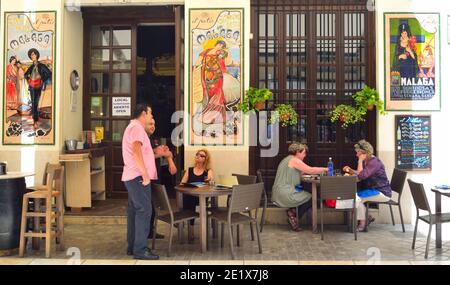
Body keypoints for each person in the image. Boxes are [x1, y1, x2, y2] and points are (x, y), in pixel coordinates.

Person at [122, 103, 165, 260]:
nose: (151, 116)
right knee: (144, 211)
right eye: (150, 113)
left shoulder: (134, 128)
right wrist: (145, 176)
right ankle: (140, 249)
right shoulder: (137, 128)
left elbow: (143, 154)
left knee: (134, 211)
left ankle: (132, 246)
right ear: (143, 113)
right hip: (138, 177)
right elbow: (136, 151)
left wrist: (156, 154)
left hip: (133, 176)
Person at [272, 143, 328, 231]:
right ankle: (294, 215)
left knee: (307, 192)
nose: (305, 156)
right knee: (311, 197)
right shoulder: (294, 160)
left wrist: (311, 172)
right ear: (298, 152)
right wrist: (326, 169)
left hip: (281, 191)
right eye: (304, 153)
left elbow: (303, 172)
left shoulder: (287, 160)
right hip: (285, 192)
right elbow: (310, 170)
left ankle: (293, 212)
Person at [342, 140, 392, 232]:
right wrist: (350, 170)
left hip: (382, 192)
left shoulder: (374, 162)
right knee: (355, 196)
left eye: (358, 153)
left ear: (364, 153)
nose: (356, 155)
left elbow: (361, 176)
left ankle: (362, 224)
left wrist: (360, 161)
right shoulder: (368, 161)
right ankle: (366, 217)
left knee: (357, 198)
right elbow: (361, 173)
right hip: (374, 190)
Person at [145, 118, 177, 239]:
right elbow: (146, 156)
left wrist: (167, 156)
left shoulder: (153, 140)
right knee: (149, 206)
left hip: (155, 176)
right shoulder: (143, 139)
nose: (153, 126)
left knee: (153, 206)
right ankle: (146, 232)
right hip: (146, 177)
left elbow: (158, 154)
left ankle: (150, 231)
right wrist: (163, 154)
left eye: (154, 124)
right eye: (150, 124)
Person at [195, 40, 231, 127]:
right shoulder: (206, 51)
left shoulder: (221, 53)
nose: (220, 47)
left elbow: (226, 63)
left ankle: (216, 116)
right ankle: (208, 113)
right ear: (216, 44)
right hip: (207, 75)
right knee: (209, 93)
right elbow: (198, 61)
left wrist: (224, 53)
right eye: (219, 45)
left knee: (218, 92)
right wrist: (197, 68)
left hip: (217, 76)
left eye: (222, 46)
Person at [180, 149, 213, 241]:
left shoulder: (208, 170)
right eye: (197, 154)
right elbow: (182, 182)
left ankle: (188, 226)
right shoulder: (190, 170)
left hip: (201, 196)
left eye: (202, 155)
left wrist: (208, 181)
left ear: (206, 159)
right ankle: (191, 229)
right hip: (190, 195)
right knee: (188, 199)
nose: (198, 156)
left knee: (188, 201)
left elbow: (210, 183)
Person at [24, 48, 52, 129]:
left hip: (38, 85)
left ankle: (35, 119)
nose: (32, 56)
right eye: (31, 55)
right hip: (32, 86)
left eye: (34, 54)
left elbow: (49, 74)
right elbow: (26, 74)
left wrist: (42, 79)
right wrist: (29, 79)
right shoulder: (31, 66)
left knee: (36, 102)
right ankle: (35, 121)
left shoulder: (41, 65)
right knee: (33, 102)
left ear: (37, 55)